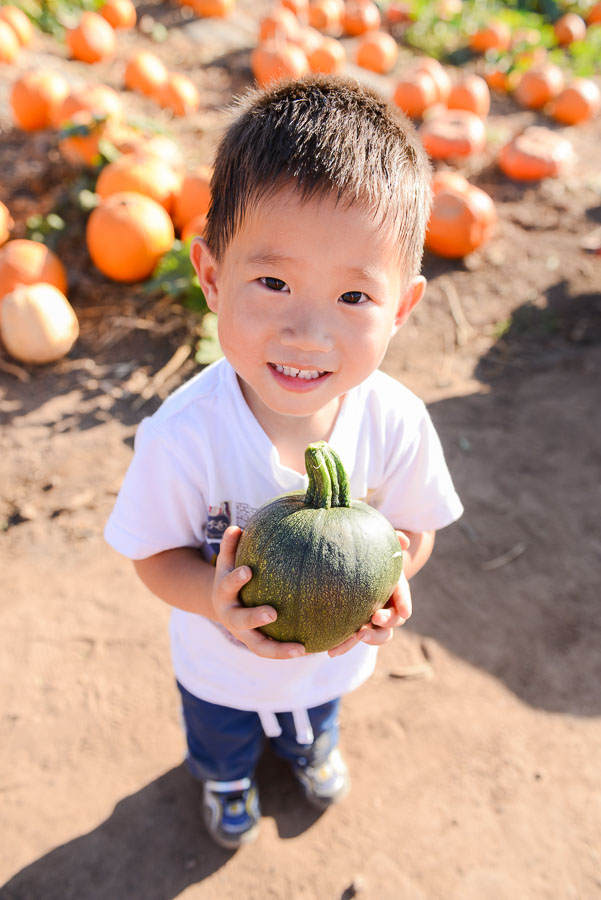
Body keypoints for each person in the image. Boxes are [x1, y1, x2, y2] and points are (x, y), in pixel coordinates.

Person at [104, 74, 463, 850]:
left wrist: (397, 574)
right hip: (219, 667)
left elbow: (413, 527)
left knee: (313, 718)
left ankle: (308, 747)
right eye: (272, 282)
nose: (309, 334)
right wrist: (213, 597)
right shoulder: (183, 436)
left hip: (329, 664)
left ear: (401, 307)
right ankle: (228, 781)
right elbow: (151, 555)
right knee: (223, 737)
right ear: (210, 278)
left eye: (354, 299)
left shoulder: (395, 420)